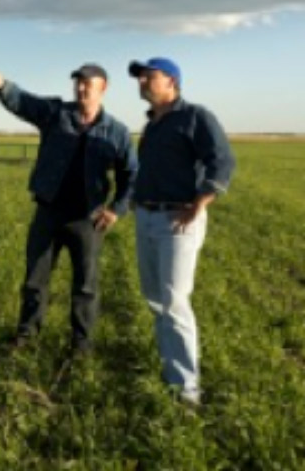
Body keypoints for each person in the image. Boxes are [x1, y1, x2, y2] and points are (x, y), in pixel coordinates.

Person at [0, 63, 137, 355]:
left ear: (102, 89)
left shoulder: (117, 132)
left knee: (86, 286)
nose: (80, 89)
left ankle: (81, 344)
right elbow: (24, 103)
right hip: (49, 212)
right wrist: (2, 85)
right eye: (77, 83)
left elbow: (132, 175)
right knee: (35, 279)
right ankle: (27, 334)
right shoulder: (56, 114)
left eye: (87, 84)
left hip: (87, 219)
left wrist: (116, 209)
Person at [128, 57, 235, 407]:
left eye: (149, 76)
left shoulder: (195, 116)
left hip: (178, 220)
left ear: (172, 81)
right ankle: (169, 366)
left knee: (174, 302)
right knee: (155, 298)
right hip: (146, 217)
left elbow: (222, 160)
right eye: (140, 77)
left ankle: (186, 389)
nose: (142, 81)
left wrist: (200, 202)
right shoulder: (153, 125)